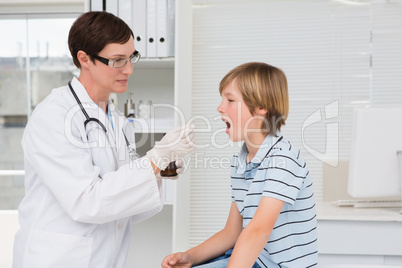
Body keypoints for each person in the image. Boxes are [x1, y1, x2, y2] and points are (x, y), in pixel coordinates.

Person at [13, 11, 195, 268]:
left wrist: (159, 171)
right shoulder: (54, 116)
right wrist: (154, 161)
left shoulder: (117, 120)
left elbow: (121, 204)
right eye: (118, 60)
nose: (129, 69)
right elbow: (87, 202)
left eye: (132, 57)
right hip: (58, 259)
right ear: (84, 59)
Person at [161, 62, 317, 268]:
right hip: (253, 259)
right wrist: (190, 257)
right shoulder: (241, 162)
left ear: (261, 108)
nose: (220, 107)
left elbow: (258, 231)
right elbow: (232, 232)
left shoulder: (284, 159)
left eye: (230, 100)